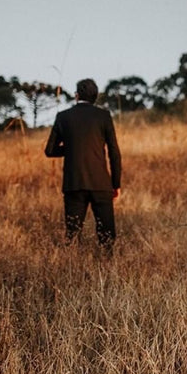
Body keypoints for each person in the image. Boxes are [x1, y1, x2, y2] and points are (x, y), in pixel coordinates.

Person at [45, 78, 122, 254]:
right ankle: (106, 269)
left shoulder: (62, 117)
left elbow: (49, 150)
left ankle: (73, 272)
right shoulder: (104, 116)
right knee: (107, 236)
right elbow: (114, 153)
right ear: (95, 97)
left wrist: (71, 149)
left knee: (72, 235)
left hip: (74, 183)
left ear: (76, 95)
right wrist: (116, 184)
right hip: (101, 184)